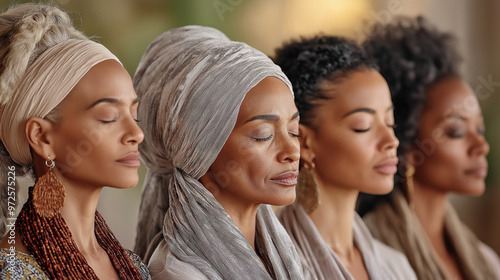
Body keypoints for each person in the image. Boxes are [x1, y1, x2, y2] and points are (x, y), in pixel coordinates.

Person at [133, 25, 304, 279]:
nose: (292, 151)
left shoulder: (281, 252)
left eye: (294, 131)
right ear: (200, 149)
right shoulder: (179, 274)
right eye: (263, 135)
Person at [0, 3, 149, 279]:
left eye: (134, 115)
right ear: (42, 137)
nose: (136, 134)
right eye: (108, 117)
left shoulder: (135, 267)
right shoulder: (12, 272)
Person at [358, 16, 500, 279]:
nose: (481, 146)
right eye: (456, 131)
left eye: (479, 129)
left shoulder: (485, 260)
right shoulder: (368, 256)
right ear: (407, 146)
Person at [273, 35, 416, 279]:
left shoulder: (397, 267)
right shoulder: (274, 266)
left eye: (389, 122)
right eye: (363, 126)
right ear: (304, 141)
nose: (391, 140)